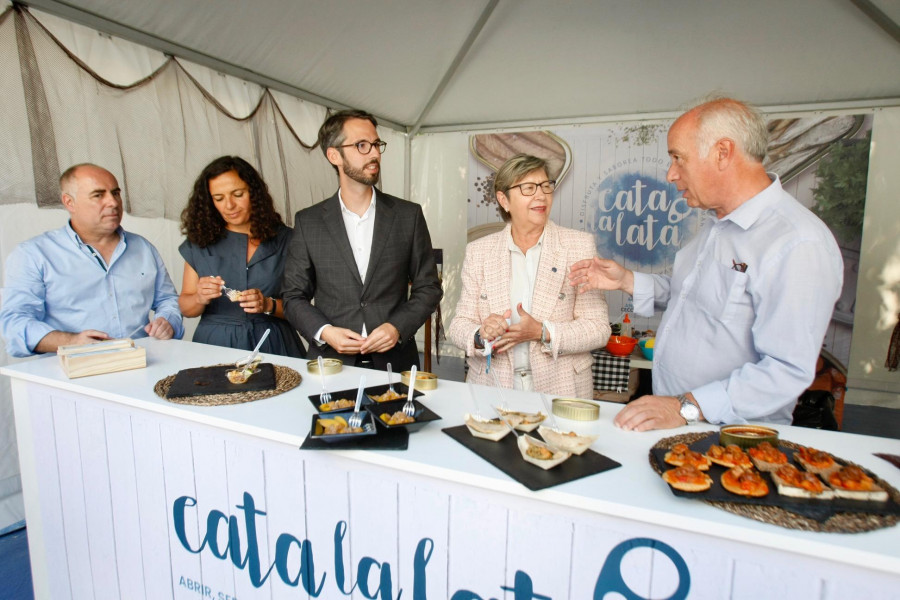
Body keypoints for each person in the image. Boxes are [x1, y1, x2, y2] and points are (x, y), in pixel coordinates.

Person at [568, 97, 843, 430]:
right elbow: (689, 295)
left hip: (733, 436)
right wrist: (626, 279)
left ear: (722, 153)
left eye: (678, 158)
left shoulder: (797, 243)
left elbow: (786, 369)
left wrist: (687, 407)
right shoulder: (716, 226)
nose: (671, 174)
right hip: (682, 419)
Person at [282, 109, 442, 370]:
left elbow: (429, 288)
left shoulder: (407, 216)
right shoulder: (308, 221)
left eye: (376, 144)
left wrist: (397, 327)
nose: (375, 154)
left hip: (395, 363)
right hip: (331, 365)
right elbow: (293, 296)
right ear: (334, 155)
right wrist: (325, 332)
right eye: (362, 146)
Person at [448, 154, 611, 398]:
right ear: (504, 200)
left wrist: (543, 332)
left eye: (546, 186)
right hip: (492, 389)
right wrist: (481, 335)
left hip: (561, 389)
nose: (541, 195)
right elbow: (458, 325)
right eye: (528, 188)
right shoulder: (479, 252)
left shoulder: (578, 247)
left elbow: (598, 329)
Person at [0, 164, 183, 357]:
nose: (113, 202)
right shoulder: (33, 255)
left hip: (140, 365)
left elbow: (168, 300)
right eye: (98, 195)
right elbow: (14, 324)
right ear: (69, 202)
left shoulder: (143, 248)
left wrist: (167, 321)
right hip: (69, 374)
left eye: (115, 193)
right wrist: (72, 342)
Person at [178, 156, 306, 357]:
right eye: (218, 198)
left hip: (273, 344)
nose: (229, 205)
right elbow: (186, 308)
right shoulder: (199, 242)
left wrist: (268, 305)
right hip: (215, 346)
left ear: (254, 194)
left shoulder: (287, 240)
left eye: (238, 194)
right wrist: (199, 297)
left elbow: (303, 308)